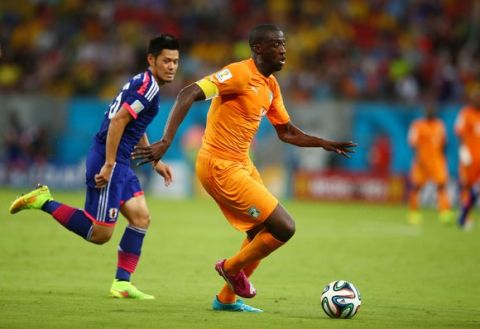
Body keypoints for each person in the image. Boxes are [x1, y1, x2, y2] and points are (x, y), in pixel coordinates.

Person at [132, 24, 356, 312]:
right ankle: (230, 267)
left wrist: (322, 143)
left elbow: (286, 132)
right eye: (276, 44)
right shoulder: (239, 74)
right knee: (284, 227)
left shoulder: (270, 85)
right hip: (219, 165)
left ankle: (225, 299)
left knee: (260, 233)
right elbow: (187, 93)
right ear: (258, 49)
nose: (284, 49)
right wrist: (165, 141)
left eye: (284, 43)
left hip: (241, 164)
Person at [9, 34, 180, 299]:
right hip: (108, 158)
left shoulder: (146, 84)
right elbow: (117, 122)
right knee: (99, 233)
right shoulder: (147, 87)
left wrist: (154, 161)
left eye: (175, 61)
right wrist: (109, 164)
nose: (171, 66)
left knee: (141, 217)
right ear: (151, 60)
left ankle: (122, 284)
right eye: (166, 60)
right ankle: (43, 201)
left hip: (121, 161)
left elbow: (135, 124)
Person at [406, 102, 453, 225]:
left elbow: (444, 143)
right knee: (416, 187)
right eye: (428, 109)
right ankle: (414, 213)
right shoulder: (417, 125)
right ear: (425, 111)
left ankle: (444, 213)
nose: (430, 112)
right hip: (422, 161)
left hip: (437, 161)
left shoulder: (440, 125)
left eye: (432, 109)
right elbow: (412, 143)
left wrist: (443, 157)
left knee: (441, 186)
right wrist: (419, 158)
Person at [455, 87, 480, 229]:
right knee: (466, 186)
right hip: (469, 159)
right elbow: (460, 133)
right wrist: (463, 150)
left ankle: (465, 214)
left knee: (476, 189)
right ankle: (464, 216)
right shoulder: (465, 114)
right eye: (476, 98)